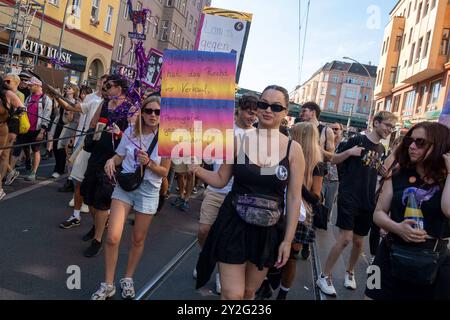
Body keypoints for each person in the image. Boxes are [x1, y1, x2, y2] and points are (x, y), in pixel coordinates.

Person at [191, 85, 305, 300]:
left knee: (248, 293)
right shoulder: (237, 141)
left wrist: (287, 240)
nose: (268, 110)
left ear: (286, 112)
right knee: (232, 295)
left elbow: (293, 197)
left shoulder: (293, 149)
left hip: (268, 230)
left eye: (276, 106)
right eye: (263, 104)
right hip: (233, 223)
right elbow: (221, 179)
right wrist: (197, 169)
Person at [91, 96, 171, 300]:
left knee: (138, 239)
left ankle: (128, 278)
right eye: (149, 111)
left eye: (157, 112)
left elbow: (164, 172)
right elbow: (119, 156)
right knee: (112, 237)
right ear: (142, 113)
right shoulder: (130, 132)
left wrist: (150, 163)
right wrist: (111, 160)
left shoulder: (167, 139)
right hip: (125, 187)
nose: (153, 115)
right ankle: (108, 284)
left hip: (149, 190)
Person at [316, 111, 397, 296]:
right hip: (349, 197)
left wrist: (385, 173)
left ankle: (349, 272)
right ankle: (324, 275)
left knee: (359, 242)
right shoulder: (355, 140)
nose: (389, 130)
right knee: (345, 239)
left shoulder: (381, 150)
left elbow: (374, 171)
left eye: (392, 128)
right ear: (376, 122)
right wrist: (350, 153)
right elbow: (334, 160)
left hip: (367, 199)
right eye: (387, 126)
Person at [366, 122, 450, 299]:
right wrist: (397, 228)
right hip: (388, 255)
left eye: (420, 142)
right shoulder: (396, 173)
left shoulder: (446, 180)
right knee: (370, 295)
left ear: (440, 146)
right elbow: (379, 213)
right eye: (410, 141)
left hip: (433, 263)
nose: (412, 146)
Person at [194, 93, 258, 294]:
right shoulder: (221, 129)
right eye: (249, 112)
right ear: (239, 109)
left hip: (240, 195)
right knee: (204, 230)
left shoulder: (257, 136)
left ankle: (223, 268)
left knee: (228, 238)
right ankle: (207, 257)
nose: (252, 117)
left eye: (255, 114)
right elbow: (202, 149)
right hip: (216, 188)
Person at [276, 122, 324, 300]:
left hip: (301, 215)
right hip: (279, 208)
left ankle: (282, 292)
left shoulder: (317, 165)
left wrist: (296, 181)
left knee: (290, 258)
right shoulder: (284, 154)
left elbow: (315, 198)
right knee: (273, 250)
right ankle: (270, 283)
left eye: (292, 133)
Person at [57, 76, 107, 230]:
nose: (104, 87)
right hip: (88, 145)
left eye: (109, 85)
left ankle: (102, 221)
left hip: (104, 152)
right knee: (79, 181)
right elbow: (71, 107)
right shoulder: (93, 102)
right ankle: (76, 215)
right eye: (104, 84)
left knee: (101, 188)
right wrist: (56, 96)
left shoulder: (121, 109)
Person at [299, 102, 335, 259]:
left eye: (304, 111)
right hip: (300, 167)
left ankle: (306, 243)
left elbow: (331, 156)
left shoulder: (326, 130)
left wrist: (314, 148)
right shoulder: (300, 127)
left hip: (317, 172)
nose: (302, 114)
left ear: (313, 112)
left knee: (312, 204)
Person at [14, 77, 52, 182]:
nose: (29, 87)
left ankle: (33, 172)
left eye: (31, 85)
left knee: (35, 150)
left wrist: (42, 132)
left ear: (38, 86)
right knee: (25, 148)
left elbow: (47, 117)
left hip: (37, 129)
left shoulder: (46, 100)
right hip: (26, 128)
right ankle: (27, 161)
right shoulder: (29, 98)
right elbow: (24, 109)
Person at [1, 75, 25, 189]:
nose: (6, 82)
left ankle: (4, 177)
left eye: (8, 80)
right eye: (5, 80)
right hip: (6, 123)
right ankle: (9, 172)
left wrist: (13, 113)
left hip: (11, 124)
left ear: (16, 82)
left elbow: (22, 109)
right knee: (4, 154)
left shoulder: (17, 94)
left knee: (4, 154)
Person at [322, 122, 344, 224]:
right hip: (322, 178)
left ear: (341, 131)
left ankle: (325, 222)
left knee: (329, 204)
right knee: (318, 200)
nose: (334, 131)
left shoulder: (344, 145)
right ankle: (317, 221)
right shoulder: (324, 142)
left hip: (335, 180)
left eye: (336, 129)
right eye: (332, 129)